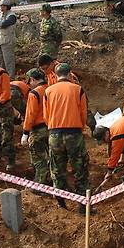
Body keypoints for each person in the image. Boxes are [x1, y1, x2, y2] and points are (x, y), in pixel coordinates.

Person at [43, 63, 92, 213]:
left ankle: (60, 203)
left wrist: (53, 127)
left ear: (56, 75)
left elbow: (46, 116)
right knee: (80, 168)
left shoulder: (48, 91)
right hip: (74, 133)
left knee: (57, 169)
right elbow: (83, 113)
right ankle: (83, 205)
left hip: (54, 134)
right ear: (70, 74)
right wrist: (80, 127)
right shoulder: (78, 90)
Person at [21, 68, 51, 187]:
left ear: (33, 79)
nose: (29, 84)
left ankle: (40, 183)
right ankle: (53, 179)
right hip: (51, 128)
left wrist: (25, 132)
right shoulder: (51, 89)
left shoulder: (34, 93)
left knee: (38, 159)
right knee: (51, 156)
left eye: (29, 82)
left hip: (38, 130)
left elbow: (30, 114)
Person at [0, 0, 17, 76]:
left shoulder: (12, 16)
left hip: (7, 41)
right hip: (0, 40)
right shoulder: (0, 14)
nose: (0, 7)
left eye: (2, 6)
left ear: (6, 6)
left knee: (9, 61)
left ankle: (11, 77)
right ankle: (0, 76)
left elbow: (4, 24)